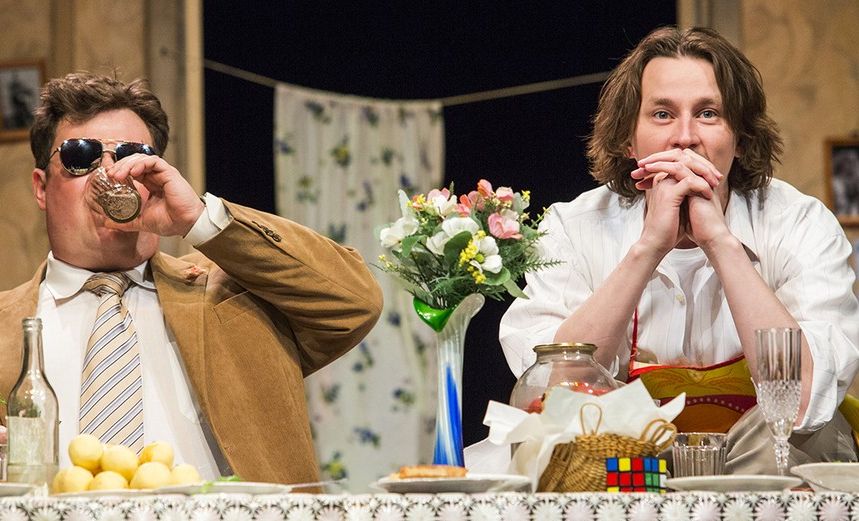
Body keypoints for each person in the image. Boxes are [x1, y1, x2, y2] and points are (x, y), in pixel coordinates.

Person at [500, 26, 859, 473]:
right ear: (628, 140)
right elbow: (552, 395)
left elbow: (804, 399)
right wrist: (648, 248)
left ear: (740, 139)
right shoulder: (572, 227)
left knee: (799, 434)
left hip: (763, 457)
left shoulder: (800, 222)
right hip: (628, 454)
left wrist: (720, 243)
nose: (684, 137)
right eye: (662, 114)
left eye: (708, 114)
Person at [0, 72, 383, 484]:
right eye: (81, 156)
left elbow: (355, 301)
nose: (111, 174)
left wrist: (199, 220)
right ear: (41, 188)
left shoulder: (236, 293)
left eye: (133, 156)